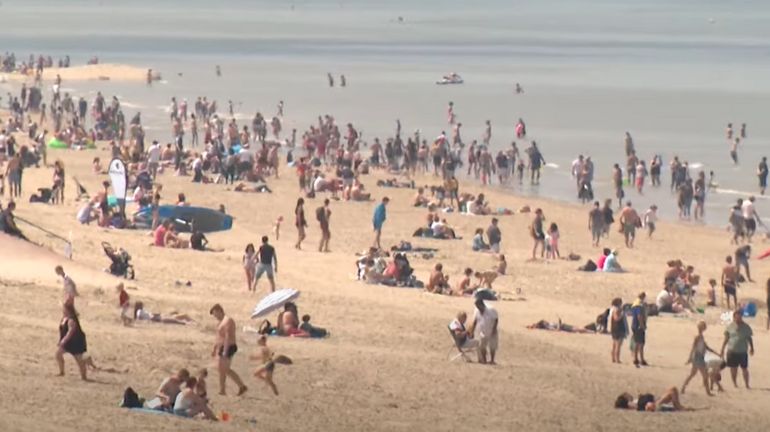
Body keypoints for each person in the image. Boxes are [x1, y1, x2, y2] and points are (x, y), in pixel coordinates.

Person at [209, 304, 248, 396]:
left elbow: (227, 336)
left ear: (219, 311)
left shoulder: (228, 320)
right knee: (222, 369)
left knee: (224, 369)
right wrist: (215, 348)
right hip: (221, 347)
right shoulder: (220, 322)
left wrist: (225, 350)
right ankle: (229, 388)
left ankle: (230, 388)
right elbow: (218, 337)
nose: (215, 316)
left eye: (215, 314)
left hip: (229, 346)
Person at [681, 321, 718, 396]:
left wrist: (714, 352)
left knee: (693, 374)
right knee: (704, 375)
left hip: (699, 357)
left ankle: (683, 388)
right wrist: (690, 357)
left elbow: (705, 347)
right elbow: (694, 348)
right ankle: (708, 392)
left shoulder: (701, 336)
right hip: (698, 357)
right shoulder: (698, 337)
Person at [720, 309, 754, 389]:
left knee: (744, 368)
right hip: (732, 351)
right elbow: (726, 338)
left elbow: (749, 338)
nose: (738, 318)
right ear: (734, 317)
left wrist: (752, 348)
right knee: (733, 368)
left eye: (739, 317)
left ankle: (747, 384)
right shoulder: (730, 326)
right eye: (736, 317)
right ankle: (735, 383)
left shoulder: (746, 327)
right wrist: (722, 349)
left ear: (741, 317)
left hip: (742, 351)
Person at [56, 303, 88, 381]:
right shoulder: (64, 318)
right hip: (67, 343)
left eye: (64, 309)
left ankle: (84, 376)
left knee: (79, 360)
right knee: (58, 354)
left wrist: (64, 340)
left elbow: (70, 332)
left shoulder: (71, 319)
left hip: (75, 343)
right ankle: (61, 372)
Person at [472, 298, 498, 364]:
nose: (478, 308)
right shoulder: (477, 311)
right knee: (482, 346)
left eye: (479, 306)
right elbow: (475, 321)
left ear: (482, 305)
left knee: (492, 346)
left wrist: (494, 329)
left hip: (491, 329)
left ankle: (492, 360)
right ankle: (484, 360)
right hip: (482, 331)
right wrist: (472, 331)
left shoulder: (491, 310)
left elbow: (496, 319)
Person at [614, 387, 686, 411]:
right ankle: (678, 407)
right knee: (672, 390)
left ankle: (679, 406)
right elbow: (639, 406)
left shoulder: (633, 401)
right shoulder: (630, 403)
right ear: (625, 398)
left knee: (672, 391)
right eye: (626, 395)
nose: (628, 394)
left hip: (653, 402)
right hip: (653, 404)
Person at [630, 293, 648, 367]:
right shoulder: (639, 306)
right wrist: (642, 325)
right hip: (638, 326)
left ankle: (637, 358)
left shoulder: (635, 304)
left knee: (637, 342)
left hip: (634, 325)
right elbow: (639, 316)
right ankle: (639, 358)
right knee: (640, 343)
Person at [609, 297, 626, 363]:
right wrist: (622, 315)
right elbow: (616, 318)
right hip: (618, 328)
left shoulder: (612, 309)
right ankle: (617, 359)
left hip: (614, 328)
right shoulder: (616, 310)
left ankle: (613, 358)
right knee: (618, 345)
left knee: (614, 344)